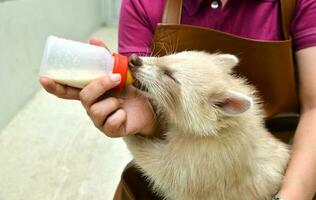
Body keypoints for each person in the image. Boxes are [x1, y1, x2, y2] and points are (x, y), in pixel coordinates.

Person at [40, 0, 316, 199]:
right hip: (177, 132)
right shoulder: (144, 4)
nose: (141, 62)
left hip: (297, 161)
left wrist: (289, 196)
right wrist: (141, 120)